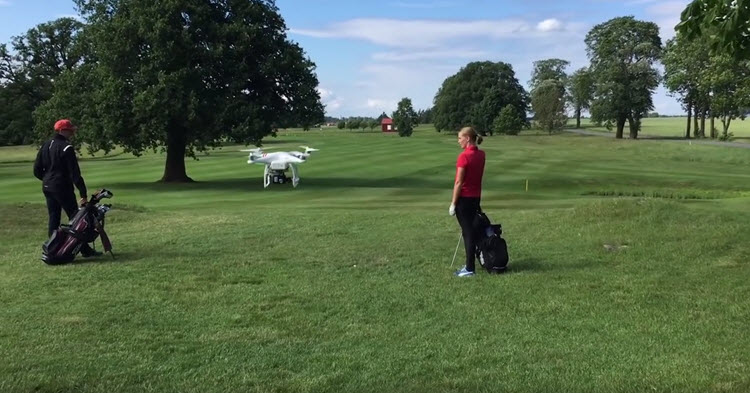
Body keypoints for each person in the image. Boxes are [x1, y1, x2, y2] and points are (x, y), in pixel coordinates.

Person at [34, 119, 101, 258]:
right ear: (62, 130)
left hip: (47, 186)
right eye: (70, 130)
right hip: (62, 187)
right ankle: (84, 250)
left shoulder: (46, 145)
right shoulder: (66, 147)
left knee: (54, 217)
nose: (72, 132)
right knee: (76, 219)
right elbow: (75, 173)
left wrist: (47, 180)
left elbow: (37, 170)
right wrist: (83, 194)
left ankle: (52, 247)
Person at [449, 126, 485, 277]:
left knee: (468, 233)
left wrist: (453, 203)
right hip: (476, 198)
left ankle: (470, 268)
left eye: (460, 138)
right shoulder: (481, 154)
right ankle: (474, 262)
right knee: (472, 231)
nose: (458, 141)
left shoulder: (463, 157)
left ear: (468, 138)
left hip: (464, 199)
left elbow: (459, 182)